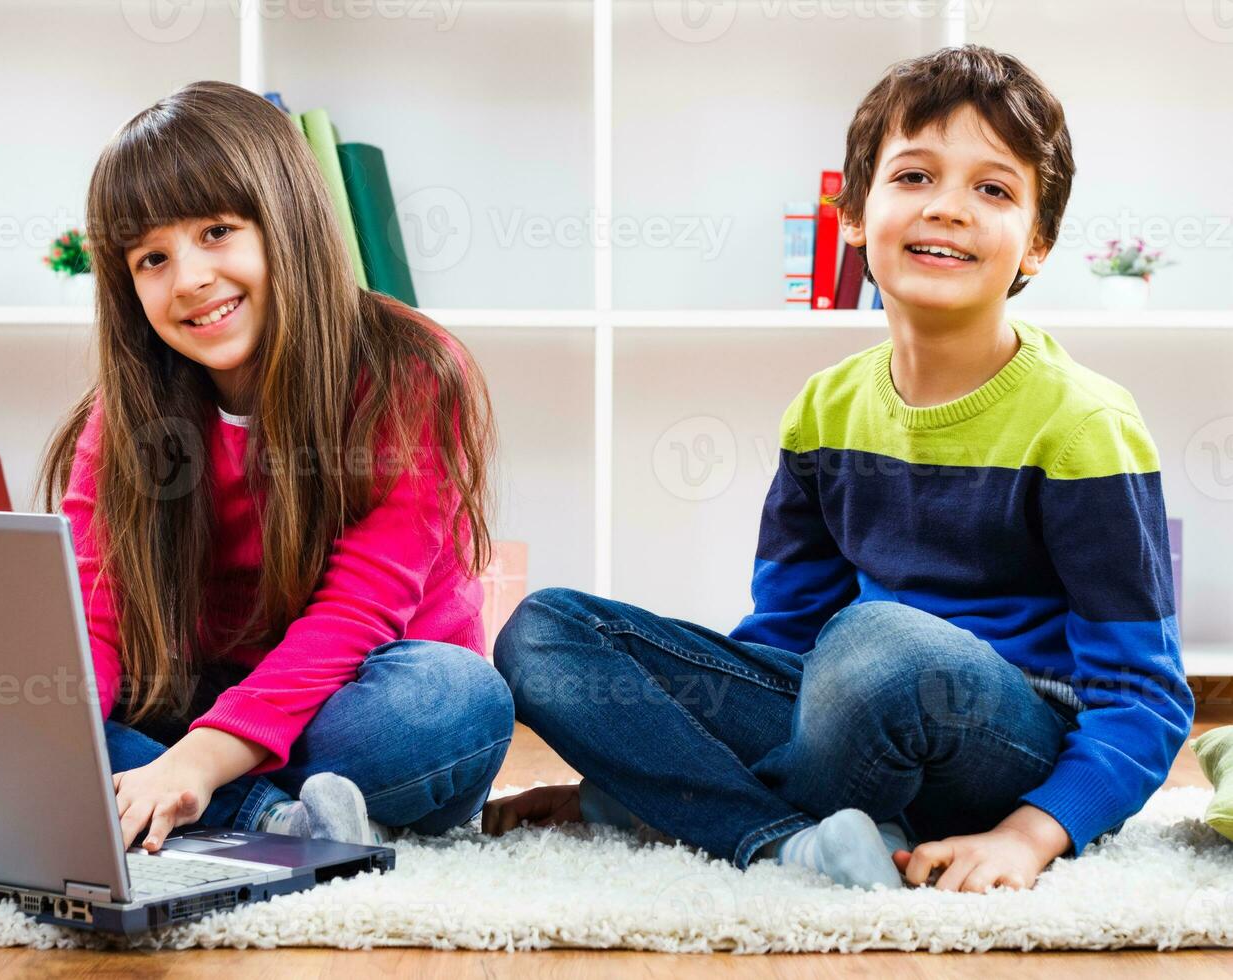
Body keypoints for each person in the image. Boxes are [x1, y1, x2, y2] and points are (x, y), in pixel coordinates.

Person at [486, 45, 1193, 894]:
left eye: (993, 190)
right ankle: (786, 840)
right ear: (854, 213)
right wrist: (716, 720)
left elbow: (1144, 697)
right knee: (545, 631)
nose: (949, 209)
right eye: (914, 177)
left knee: (876, 642)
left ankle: (662, 808)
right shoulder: (824, 409)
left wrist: (1026, 836)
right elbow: (779, 639)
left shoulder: (1086, 424)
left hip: (1007, 741)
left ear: (1036, 245)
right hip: (841, 705)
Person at [35, 80, 514, 854]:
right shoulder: (124, 417)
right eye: (152, 258)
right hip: (202, 699)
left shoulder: (411, 373)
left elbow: (356, 615)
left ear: (286, 221)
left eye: (217, 231)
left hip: (357, 692)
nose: (188, 278)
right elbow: (95, 615)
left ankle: (188, 791)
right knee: (59, 716)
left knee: (456, 702)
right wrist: (45, 736)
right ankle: (277, 820)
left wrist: (192, 760)